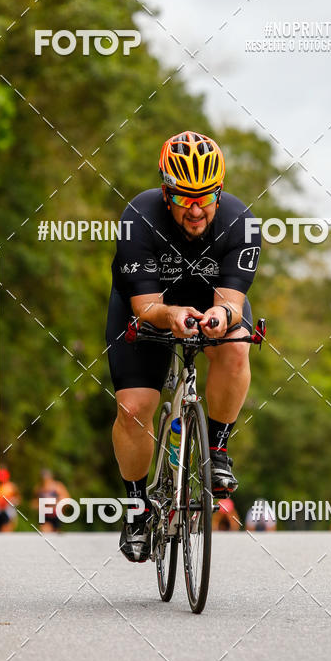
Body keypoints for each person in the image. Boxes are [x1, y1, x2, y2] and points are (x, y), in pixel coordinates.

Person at [106, 131, 261, 562]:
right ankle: (137, 507)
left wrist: (221, 316)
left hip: (210, 302)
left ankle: (216, 446)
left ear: (219, 191)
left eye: (205, 197)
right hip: (148, 308)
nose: (195, 209)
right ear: (165, 192)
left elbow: (232, 301)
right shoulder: (138, 215)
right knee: (134, 408)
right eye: (184, 197)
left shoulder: (242, 221)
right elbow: (144, 304)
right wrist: (171, 315)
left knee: (235, 346)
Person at [0, 467, 21, 532]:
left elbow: (18, 499)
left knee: (8, 521)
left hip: (8, 508)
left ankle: (8, 529)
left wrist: (13, 501)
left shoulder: (11, 487)